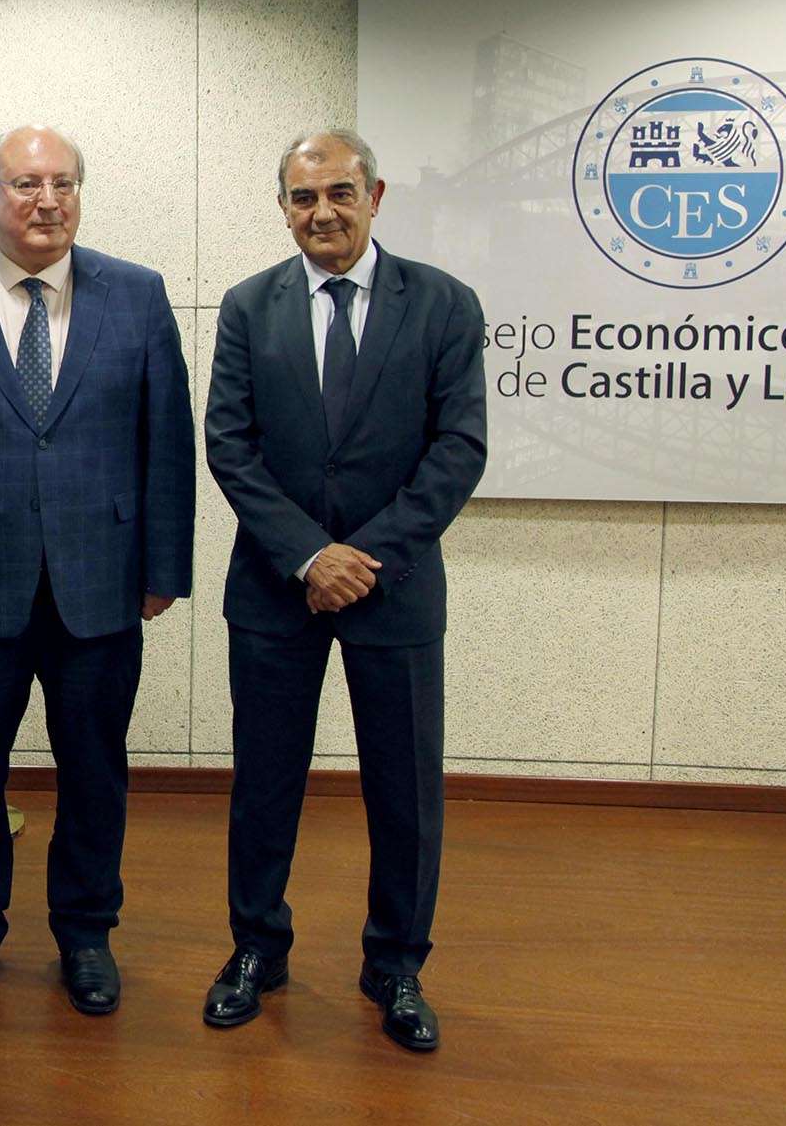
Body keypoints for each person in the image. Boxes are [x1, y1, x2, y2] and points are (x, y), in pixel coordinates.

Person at [0, 124, 193, 1016]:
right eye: (25, 183)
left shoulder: (137, 295)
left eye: (62, 182)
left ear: (79, 194)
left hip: (103, 585)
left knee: (95, 769)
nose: (45, 200)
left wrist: (165, 566)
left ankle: (86, 932)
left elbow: (165, 442)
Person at [201, 130, 486, 1052]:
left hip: (393, 588)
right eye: (300, 196)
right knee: (266, 783)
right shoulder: (250, 306)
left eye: (338, 192)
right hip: (277, 589)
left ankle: (396, 963)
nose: (320, 211)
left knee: (405, 790)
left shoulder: (443, 303)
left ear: (376, 194)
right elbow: (230, 444)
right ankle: (257, 948)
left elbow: (458, 449)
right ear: (282, 206)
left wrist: (361, 555)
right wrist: (307, 556)